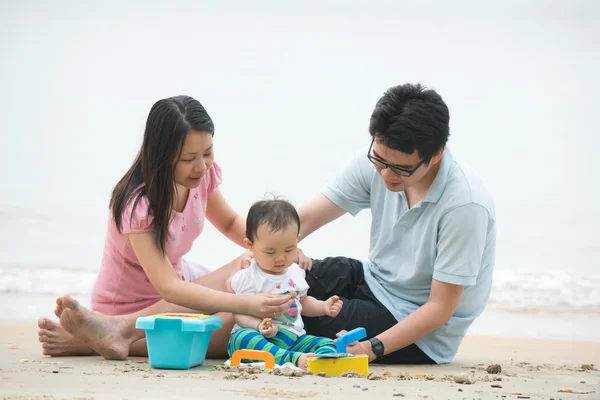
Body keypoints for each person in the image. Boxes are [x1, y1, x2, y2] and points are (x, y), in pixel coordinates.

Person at [37, 95, 310, 359]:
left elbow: (228, 223)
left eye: (208, 152)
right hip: (130, 308)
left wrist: (277, 252)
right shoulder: (139, 205)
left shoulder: (201, 176)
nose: (201, 166)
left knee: (247, 265)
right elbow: (170, 288)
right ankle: (102, 337)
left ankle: (106, 337)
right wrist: (248, 304)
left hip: (179, 288)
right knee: (237, 325)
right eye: (188, 158)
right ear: (162, 155)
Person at [297, 83, 496, 365]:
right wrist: (280, 249)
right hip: (373, 279)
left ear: (436, 154)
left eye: (401, 168)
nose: (386, 174)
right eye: (379, 160)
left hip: (418, 329)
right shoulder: (378, 161)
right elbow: (301, 220)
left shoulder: (465, 204)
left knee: (290, 322)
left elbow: (439, 308)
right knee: (278, 276)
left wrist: (370, 349)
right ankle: (211, 303)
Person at [227, 199, 343, 369]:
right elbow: (239, 313)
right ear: (250, 245)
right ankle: (292, 359)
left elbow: (302, 301)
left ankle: (307, 359)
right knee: (242, 339)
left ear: (297, 241)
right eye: (270, 252)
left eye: (289, 250)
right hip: (261, 337)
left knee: (328, 344)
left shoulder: (296, 272)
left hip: (293, 338)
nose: (280, 258)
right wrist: (257, 325)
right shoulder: (248, 276)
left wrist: (322, 307)